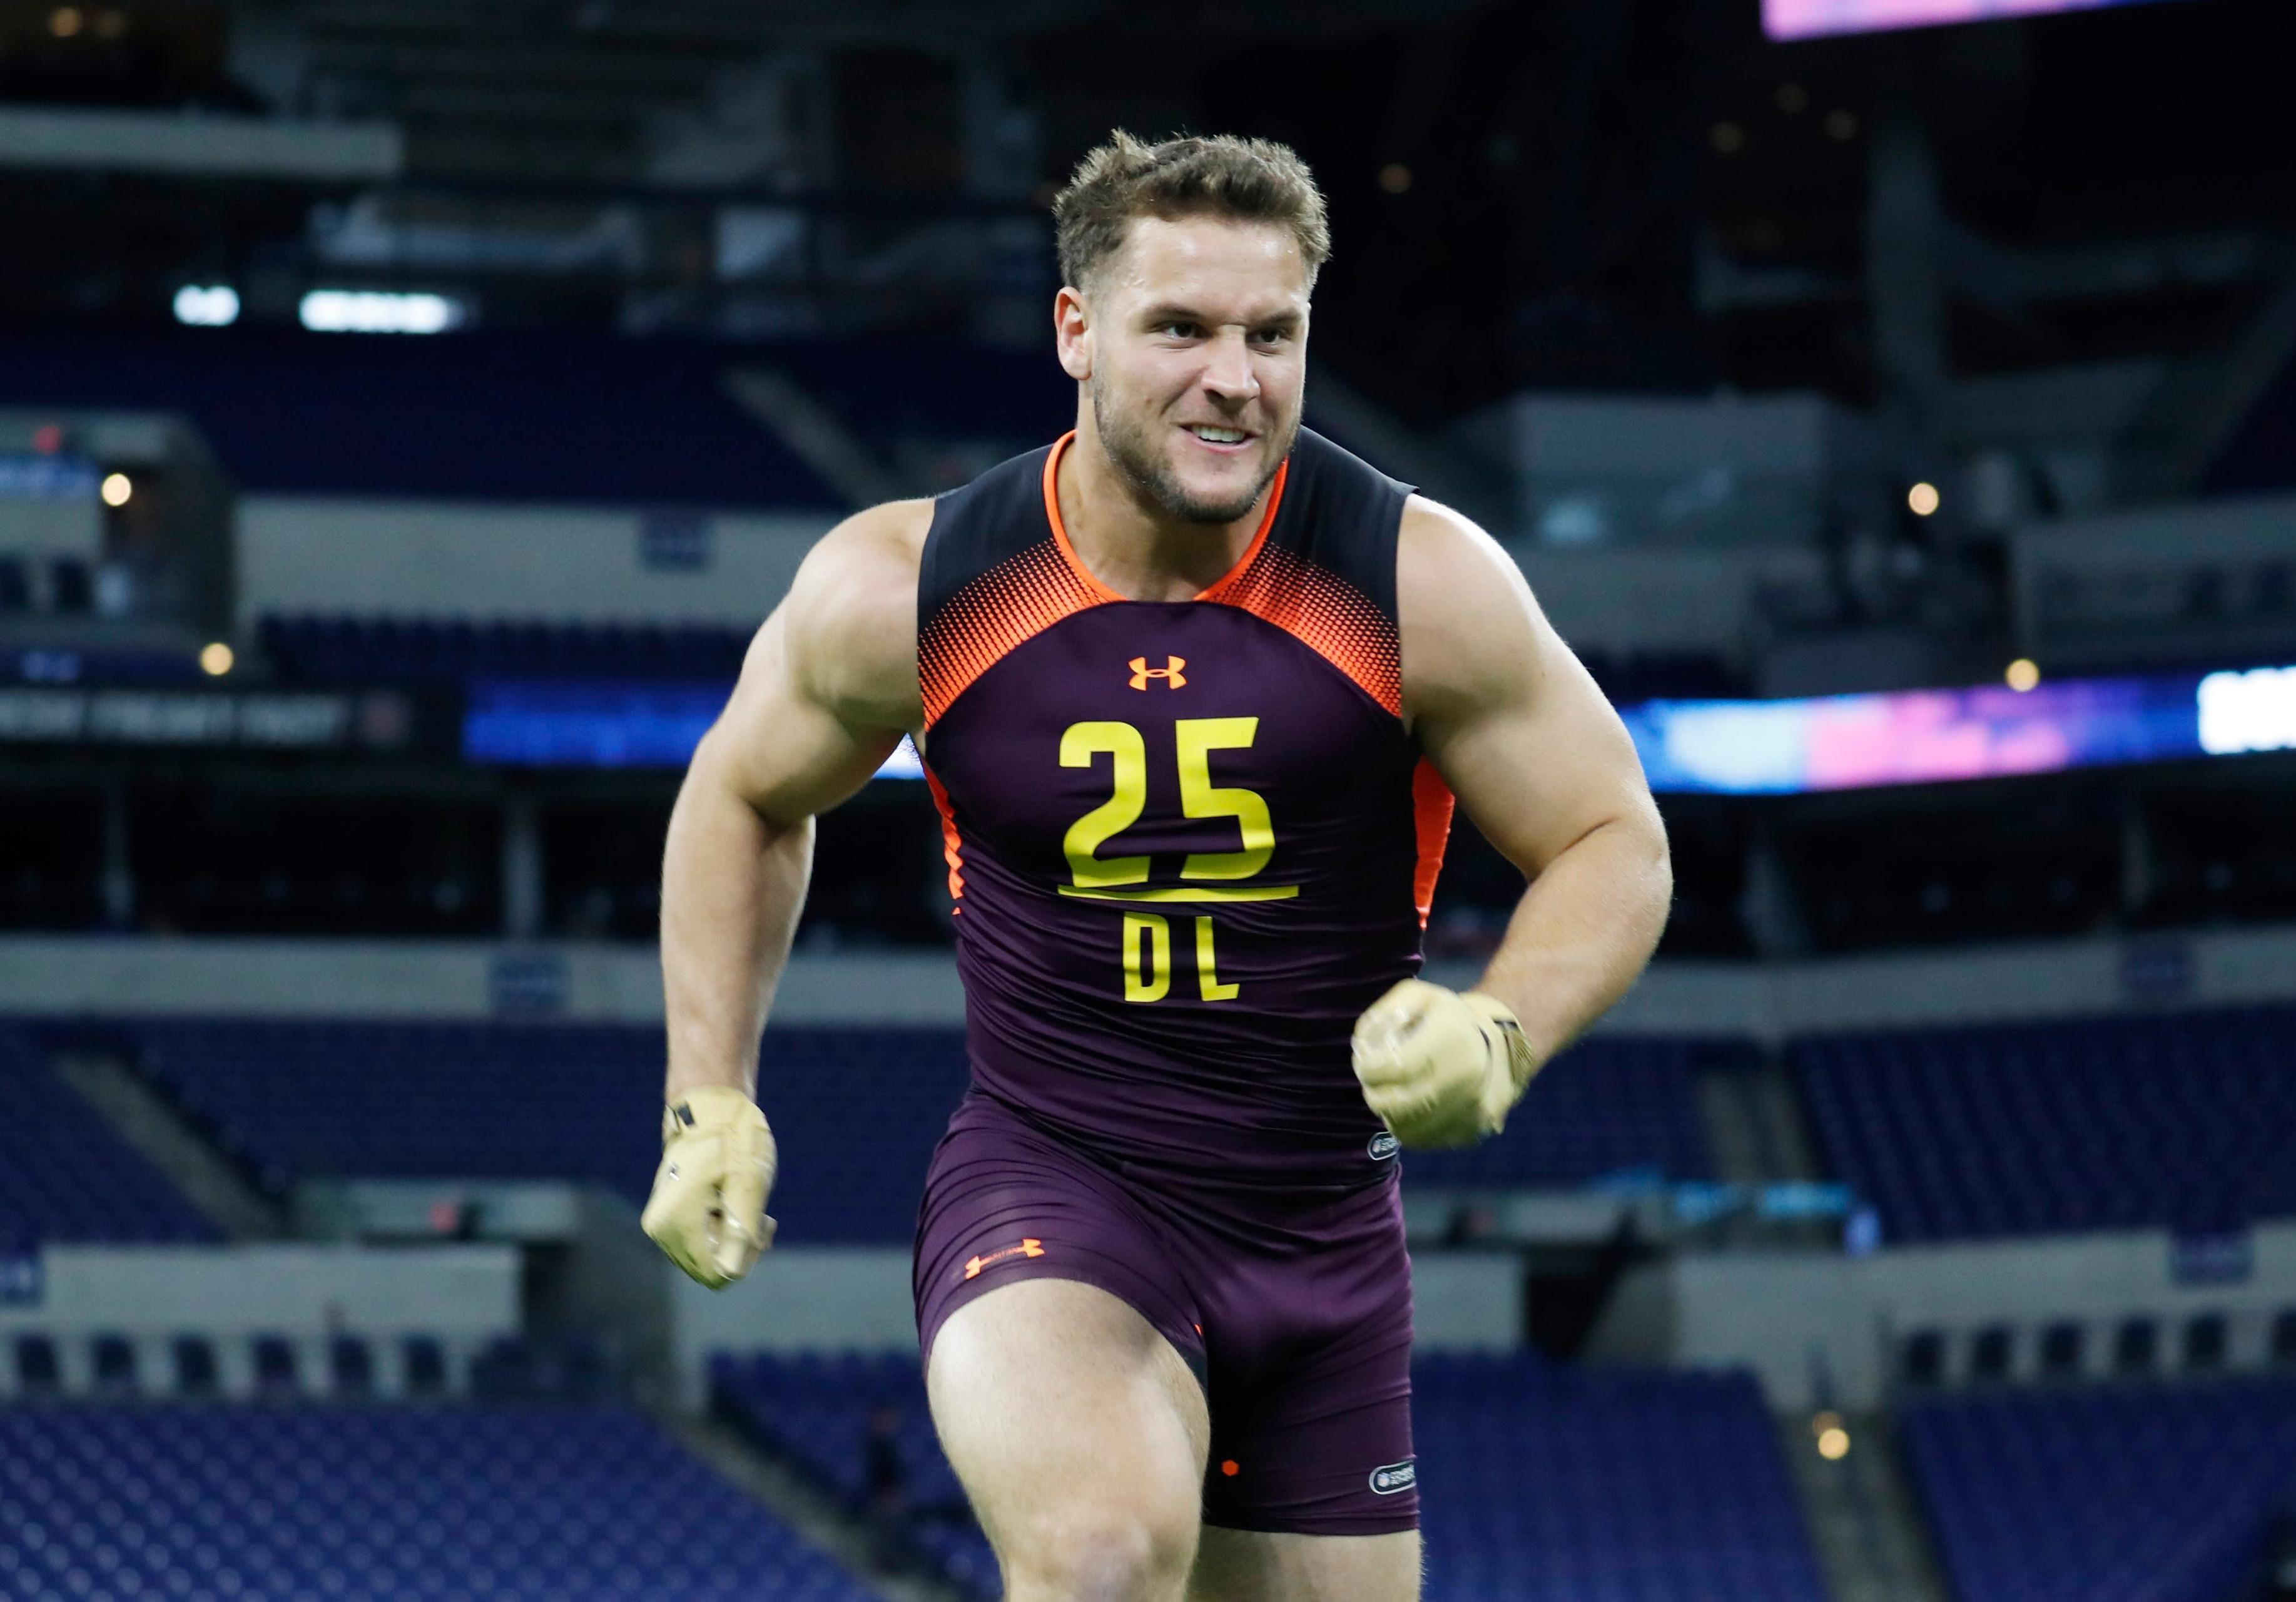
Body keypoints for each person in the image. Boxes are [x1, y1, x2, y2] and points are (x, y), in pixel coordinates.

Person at [642, 130, 1672, 1602]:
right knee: (1104, 1555)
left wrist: (1504, 1026)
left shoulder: (1417, 579)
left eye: (1273, 334)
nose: (1234, 378)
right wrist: (709, 1090)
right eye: (1180, 328)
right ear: (1075, 329)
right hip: (1060, 1184)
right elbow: (741, 793)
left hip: (1324, 1239)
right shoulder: (913, 586)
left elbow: (1612, 837)